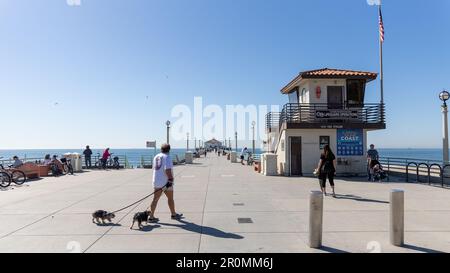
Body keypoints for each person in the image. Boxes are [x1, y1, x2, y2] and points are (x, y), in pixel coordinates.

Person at [148, 144, 183, 222]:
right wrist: (170, 179)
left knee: (155, 199)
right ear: (169, 150)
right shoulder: (167, 157)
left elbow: (154, 168)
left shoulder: (156, 156)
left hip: (156, 181)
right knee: (170, 199)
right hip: (165, 182)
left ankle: (151, 216)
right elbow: (167, 169)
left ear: (161, 149)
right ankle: (173, 214)